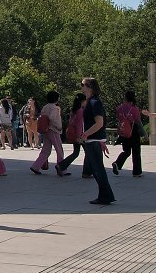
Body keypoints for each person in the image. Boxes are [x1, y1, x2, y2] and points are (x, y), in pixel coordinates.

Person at [79, 77, 115, 205]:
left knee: (98, 169)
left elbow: (99, 123)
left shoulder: (94, 102)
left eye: (82, 84)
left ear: (89, 86)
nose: (81, 86)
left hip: (93, 139)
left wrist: (85, 134)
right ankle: (106, 195)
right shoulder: (91, 101)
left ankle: (105, 196)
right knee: (97, 169)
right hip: (94, 139)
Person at [30, 90, 66, 176]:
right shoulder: (55, 108)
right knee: (59, 150)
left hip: (45, 130)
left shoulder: (45, 107)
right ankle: (61, 168)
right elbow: (52, 118)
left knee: (46, 150)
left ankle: (36, 166)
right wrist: (58, 126)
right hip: (53, 130)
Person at [113, 91, 143, 177]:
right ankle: (137, 172)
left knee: (126, 151)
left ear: (125, 97)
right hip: (133, 132)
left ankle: (117, 163)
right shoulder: (134, 109)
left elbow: (119, 119)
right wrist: (144, 134)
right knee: (136, 152)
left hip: (124, 131)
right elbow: (138, 122)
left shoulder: (119, 108)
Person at [57, 93, 87, 177]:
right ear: (82, 101)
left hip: (73, 133)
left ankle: (61, 165)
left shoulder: (73, 110)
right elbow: (79, 125)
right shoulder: (80, 111)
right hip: (79, 135)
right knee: (87, 153)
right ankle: (86, 172)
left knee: (76, 153)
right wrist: (79, 136)